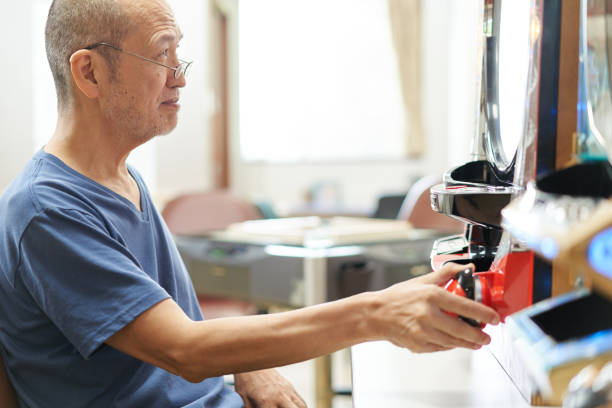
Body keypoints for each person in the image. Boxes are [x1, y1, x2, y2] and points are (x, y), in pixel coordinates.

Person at [0, 0, 500, 407]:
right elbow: (182, 350)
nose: (180, 77)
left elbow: (181, 324)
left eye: (180, 55)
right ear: (89, 72)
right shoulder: (49, 210)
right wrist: (375, 314)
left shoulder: (121, 179)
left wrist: (246, 364)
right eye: (161, 55)